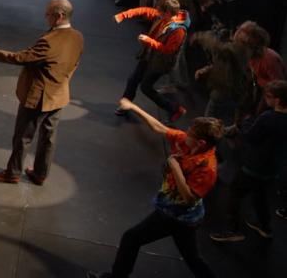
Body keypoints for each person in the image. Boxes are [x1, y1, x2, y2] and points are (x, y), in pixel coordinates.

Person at [87, 99, 222, 278]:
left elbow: (189, 197)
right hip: (179, 215)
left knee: (131, 238)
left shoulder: (207, 169)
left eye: (191, 133)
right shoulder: (187, 143)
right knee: (193, 259)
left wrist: (175, 168)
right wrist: (134, 107)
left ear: (201, 143)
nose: (186, 134)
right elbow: (159, 128)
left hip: (177, 216)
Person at [0, 0, 84, 185]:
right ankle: (40, 173)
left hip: (38, 98)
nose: (45, 17)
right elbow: (74, 63)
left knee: (23, 136)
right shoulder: (78, 37)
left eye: (48, 14)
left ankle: (12, 173)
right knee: (48, 137)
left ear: (59, 16)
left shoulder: (49, 41)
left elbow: (23, 57)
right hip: (59, 96)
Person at [208, 80, 287, 243]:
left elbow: (250, 137)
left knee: (235, 192)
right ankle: (265, 227)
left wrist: (247, 122)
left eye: (269, 96)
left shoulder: (267, 117)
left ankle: (232, 230)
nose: (266, 99)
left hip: (255, 165)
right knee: (260, 193)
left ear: (277, 100)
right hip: (273, 167)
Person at [113, 0, 190, 121]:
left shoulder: (178, 30)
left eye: (160, 12)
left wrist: (149, 41)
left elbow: (169, 50)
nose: (157, 13)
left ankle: (174, 109)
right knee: (133, 79)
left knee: (146, 87)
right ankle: (125, 105)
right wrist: (124, 15)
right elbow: (145, 11)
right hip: (148, 56)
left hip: (160, 63)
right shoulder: (163, 17)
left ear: (168, 13)